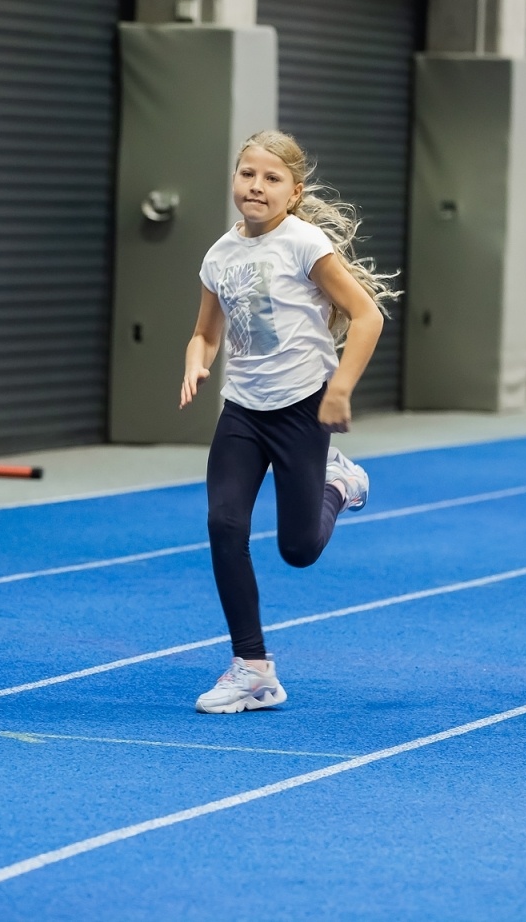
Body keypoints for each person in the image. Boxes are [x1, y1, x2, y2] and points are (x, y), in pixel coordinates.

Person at [181, 130, 396, 714]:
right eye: (248, 173)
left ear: (294, 192)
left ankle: (338, 483)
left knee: (298, 550)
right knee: (225, 524)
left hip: (303, 406)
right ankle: (252, 668)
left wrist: (340, 390)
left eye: (272, 178)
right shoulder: (219, 255)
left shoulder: (304, 244)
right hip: (243, 410)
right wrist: (196, 362)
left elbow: (366, 315)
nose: (257, 186)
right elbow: (206, 331)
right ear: (234, 179)